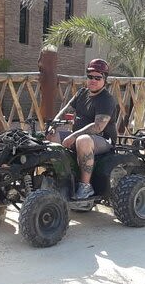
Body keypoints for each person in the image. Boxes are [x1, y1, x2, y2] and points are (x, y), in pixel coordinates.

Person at [49, 59, 118, 200]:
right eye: (90, 77)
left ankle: (85, 186)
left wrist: (73, 136)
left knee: (83, 140)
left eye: (98, 77)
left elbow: (98, 126)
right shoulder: (82, 93)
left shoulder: (106, 99)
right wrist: (53, 125)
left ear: (105, 79)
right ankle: (61, 177)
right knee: (51, 137)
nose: (93, 80)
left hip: (103, 140)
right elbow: (65, 110)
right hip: (78, 135)